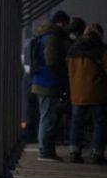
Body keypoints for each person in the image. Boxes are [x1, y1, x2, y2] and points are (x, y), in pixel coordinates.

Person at [31, 10, 70, 161]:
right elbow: (52, 61)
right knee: (48, 117)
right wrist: (61, 75)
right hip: (48, 82)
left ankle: (46, 150)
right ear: (60, 22)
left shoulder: (43, 35)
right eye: (65, 24)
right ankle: (45, 151)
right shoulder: (52, 37)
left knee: (46, 116)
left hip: (41, 81)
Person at [66, 23, 107, 164]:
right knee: (99, 123)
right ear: (99, 34)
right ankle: (97, 153)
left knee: (77, 123)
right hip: (98, 92)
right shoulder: (101, 49)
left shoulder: (73, 49)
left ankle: (74, 152)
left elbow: (68, 70)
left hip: (77, 93)